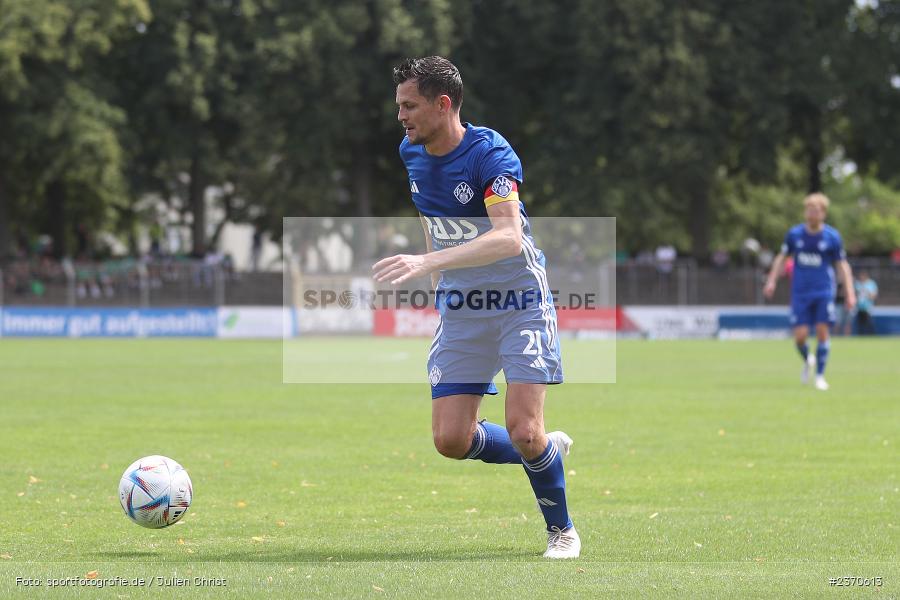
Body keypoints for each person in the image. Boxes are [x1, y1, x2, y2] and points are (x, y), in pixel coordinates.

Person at [373, 56, 579, 558]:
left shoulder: (491, 156)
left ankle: (562, 531)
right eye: (398, 105)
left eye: (409, 105)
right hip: (464, 307)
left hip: (519, 301)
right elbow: (432, 216)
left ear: (443, 105)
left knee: (524, 429)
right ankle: (546, 454)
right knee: (451, 439)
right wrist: (438, 278)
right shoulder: (411, 151)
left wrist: (426, 262)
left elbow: (509, 238)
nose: (400, 116)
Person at [763, 193, 856, 390]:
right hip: (800, 292)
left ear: (823, 213)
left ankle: (820, 376)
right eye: (809, 210)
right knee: (800, 336)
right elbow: (782, 258)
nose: (812, 214)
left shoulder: (832, 237)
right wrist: (772, 280)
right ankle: (808, 360)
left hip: (823, 291)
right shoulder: (794, 235)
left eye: (816, 211)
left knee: (823, 332)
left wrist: (850, 292)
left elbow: (842, 265)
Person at [854, 271, 878, 335]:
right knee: (860, 323)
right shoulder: (857, 284)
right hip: (859, 307)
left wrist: (866, 292)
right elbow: (855, 294)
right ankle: (860, 335)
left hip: (867, 307)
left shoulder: (871, 284)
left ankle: (871, 335)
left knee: (869, 323)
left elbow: (873, 295)